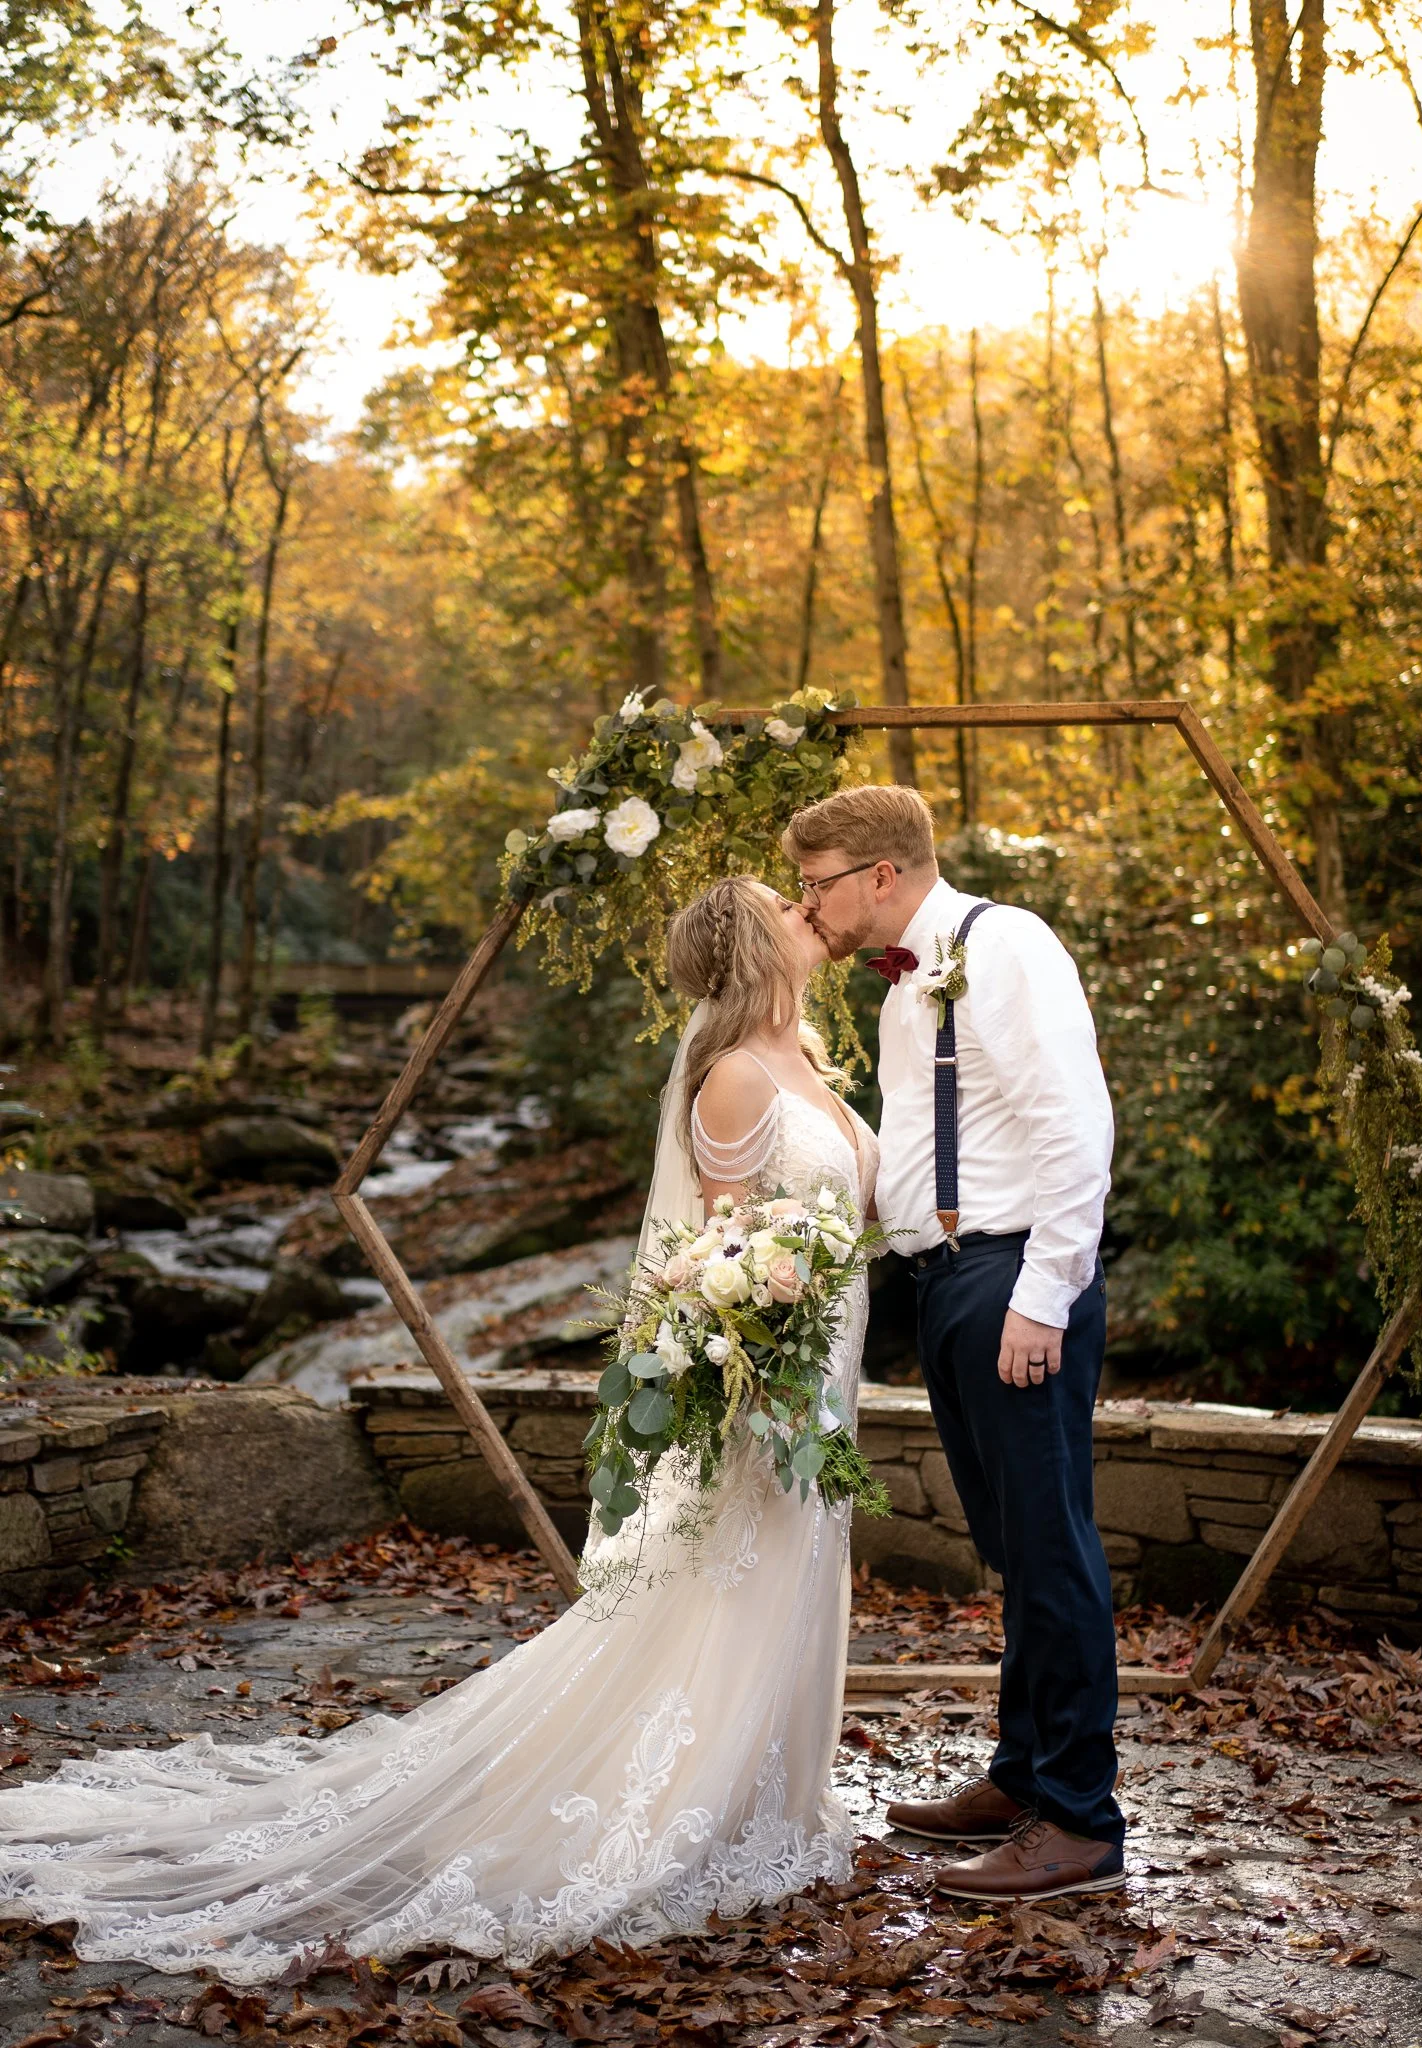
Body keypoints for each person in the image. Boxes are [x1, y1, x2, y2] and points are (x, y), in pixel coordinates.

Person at [0, 875, 879, 1983]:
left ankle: (771, 1799)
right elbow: (717, 1255)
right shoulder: (737, 1077)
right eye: (786, 906)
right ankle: (688, 1806)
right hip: (776, 1383)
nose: (809, 914)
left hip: (831, 1365)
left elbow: (859, 1206)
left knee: (795, 1572)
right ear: (755, 943)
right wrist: (764, 1361)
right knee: (733, 1589)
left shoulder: (808, 1059)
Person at [783, 783, 1124, 1902]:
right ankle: (1024, 1772)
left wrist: (1044, 1292)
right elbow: (928, 1153)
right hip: (947, 1283)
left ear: (882, 873)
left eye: (819, 881)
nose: (810, 903)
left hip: (1012, 1279)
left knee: (1053, 1543)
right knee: (1015, 1547)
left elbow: (1074, 1127)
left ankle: (1078, 1815)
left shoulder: (1007, 944)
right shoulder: (900, 991)